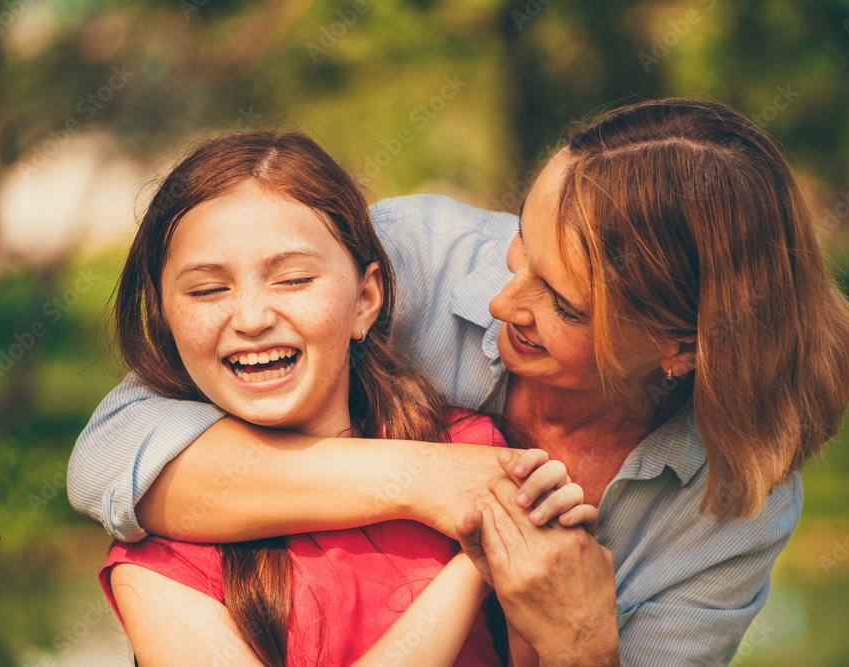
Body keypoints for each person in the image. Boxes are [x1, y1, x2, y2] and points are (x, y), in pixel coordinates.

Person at [70, 98, 849, 665]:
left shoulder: (731, 505)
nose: (501, 299)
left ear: (679, 350)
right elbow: (112, 462)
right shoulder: (416, 259)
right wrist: (433, 480)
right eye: (522, 245)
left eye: (561, 303)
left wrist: (581, 644)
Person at [94, 131, 584, 666]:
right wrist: (473, 572)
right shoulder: (156, 557)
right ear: (165, 319)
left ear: (365, 300)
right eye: (208, 290)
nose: (252, 318)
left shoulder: (475, 450)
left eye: (294, 279)